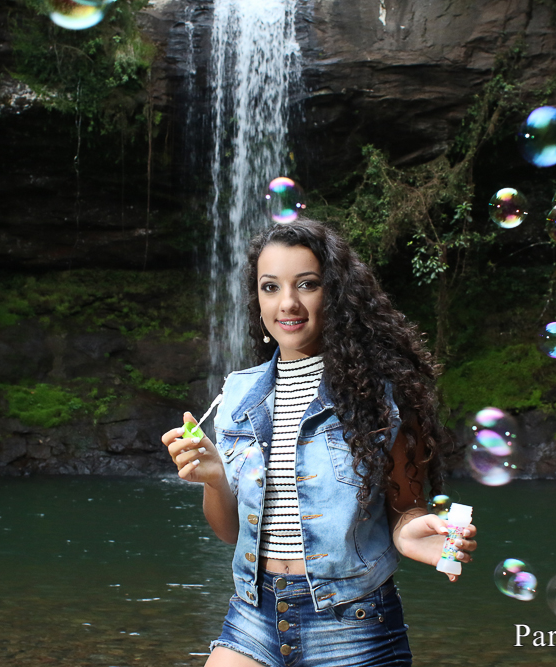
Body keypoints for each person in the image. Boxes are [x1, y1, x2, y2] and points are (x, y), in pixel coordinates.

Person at [161, 218, 477, 667]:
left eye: (306, 284)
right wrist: (213, 480)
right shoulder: (236, 395)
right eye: (270, 287)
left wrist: (411, 536)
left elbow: (405, 508)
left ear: (336, 292)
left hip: (354, 624)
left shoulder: (383, 396)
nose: (287, 303)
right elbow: (231, 533)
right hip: (253, 613)